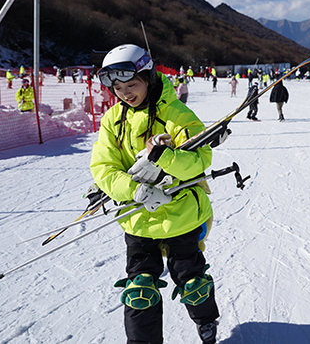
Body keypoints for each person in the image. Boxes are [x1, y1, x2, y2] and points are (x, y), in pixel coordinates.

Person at [90, 44, 221, 344]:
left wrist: (165, 157)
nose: (125, 92)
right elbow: (103, 167)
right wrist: (135, 190)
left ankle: (206, 320)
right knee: (140, 290)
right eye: (118, 87)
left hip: (182, 216)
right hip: (138, 219)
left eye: (132, 84)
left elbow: (201, 159)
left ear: (148, 77)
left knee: (192, 282)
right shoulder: (113, 119)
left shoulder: (176, 113)